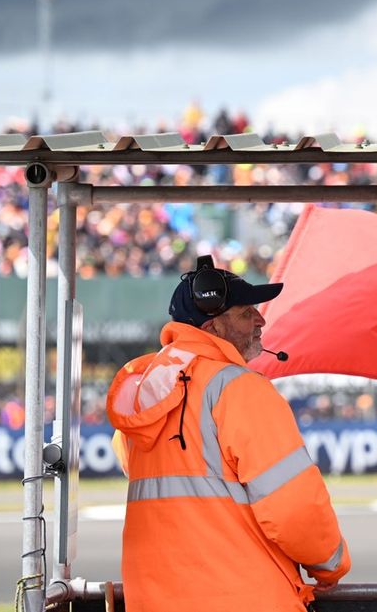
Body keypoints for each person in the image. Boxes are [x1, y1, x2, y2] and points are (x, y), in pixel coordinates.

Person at [107, 255, 350, 611]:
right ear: (213, 327)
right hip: (243, 597)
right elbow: (293, 507)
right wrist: (330, 564)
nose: (260, 319)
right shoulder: (240, 389)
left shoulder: (143, 391)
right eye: (245, 312)